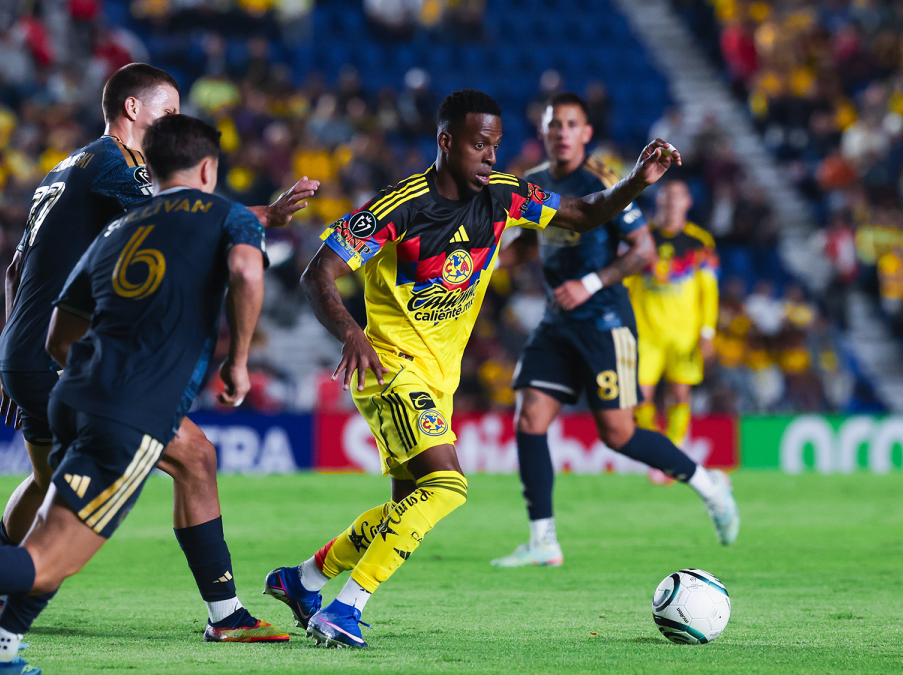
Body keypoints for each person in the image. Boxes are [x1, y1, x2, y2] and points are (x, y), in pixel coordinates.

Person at [0, 115, 290, 673]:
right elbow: (247, 273)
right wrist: (237, 362)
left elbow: (58, 334)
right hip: (130, 412)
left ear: (152, 169)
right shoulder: (227, 216)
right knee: (46, 560)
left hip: (71, 394)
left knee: (54, 521)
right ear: (208, 169)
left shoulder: (115, 233)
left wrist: (84, 376)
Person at [262, 89, 681, 648]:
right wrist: (352, 333)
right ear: (446, 141)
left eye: (496, 145)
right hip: (390, 367)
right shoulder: (397, 208)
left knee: (405, 508)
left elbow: (581, 215)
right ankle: (344, 610)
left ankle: (303, 580)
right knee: (447, 486)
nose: (491, 156)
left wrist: (636, 181)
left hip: (439, 378)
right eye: (480, 145)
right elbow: (318, 273)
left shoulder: (504, 195)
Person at [0, 63, 316, 637]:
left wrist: (16, 354)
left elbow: (16, 269)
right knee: (195, 457)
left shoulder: (64, 168)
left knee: (50, 482)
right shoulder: (118, 163)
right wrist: (270, 214)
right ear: (132, 110)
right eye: (168, 110)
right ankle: (226, 615)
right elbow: (186, 218)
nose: (175, 121)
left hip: (30, 349)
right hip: (62, 355)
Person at [490, 94, 740, 569]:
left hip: (604, 320)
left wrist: (589, 283)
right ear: (544, 132)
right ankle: (543, 540)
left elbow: (643, 251)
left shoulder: (604, 180)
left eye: (571, 124)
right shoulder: (534, 183)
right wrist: (483, 267)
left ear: (586, 133)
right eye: (554, 125)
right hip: (557, 320)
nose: (562, 132)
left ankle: (710, 487)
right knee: (529, 417)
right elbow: (528, 245)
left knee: (619, 434)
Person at [629, 180, 719, 451]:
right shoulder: (642, 238)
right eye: (666, 195)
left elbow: (709, 292)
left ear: (687, 202)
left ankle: (675, 449)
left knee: (680, 393)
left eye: (677, 196)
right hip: (645, 331)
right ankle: (658, 452)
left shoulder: (700, 242)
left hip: (684, 333)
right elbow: (625, 282)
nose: (671, 201)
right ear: (658, 199)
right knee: (639, 397)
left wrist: (707, 331)